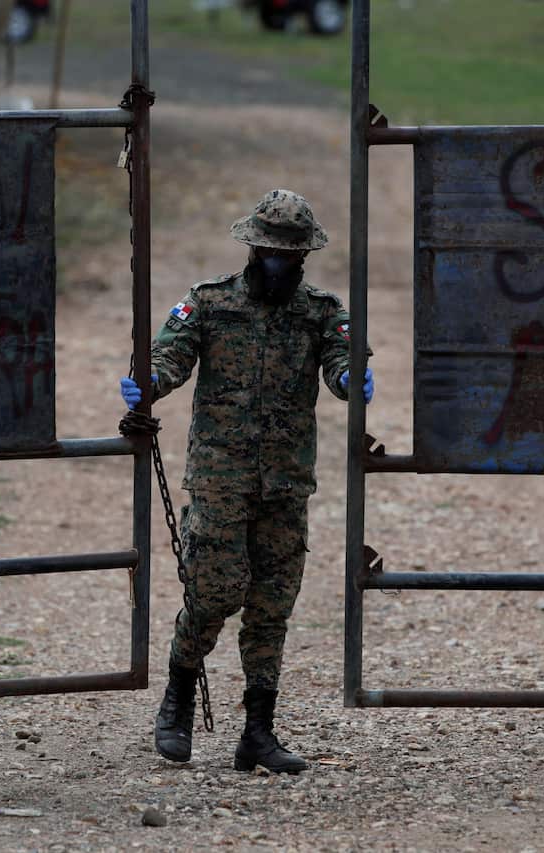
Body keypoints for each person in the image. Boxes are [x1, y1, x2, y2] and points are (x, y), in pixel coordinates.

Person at [119, 189, 374, 774]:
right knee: (212, 594)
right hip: (220, 478)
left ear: (304, 256)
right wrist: (147, 383)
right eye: (271, 253)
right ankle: (177, 699)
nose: (280, 263)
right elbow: (171, 356)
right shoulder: (209, 303)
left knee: (271, 607)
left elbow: (341, 364)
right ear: (253, 250)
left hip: (285, 483)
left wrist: (352, 376)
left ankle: (258, 731)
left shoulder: (321, 311)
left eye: (291, 255)